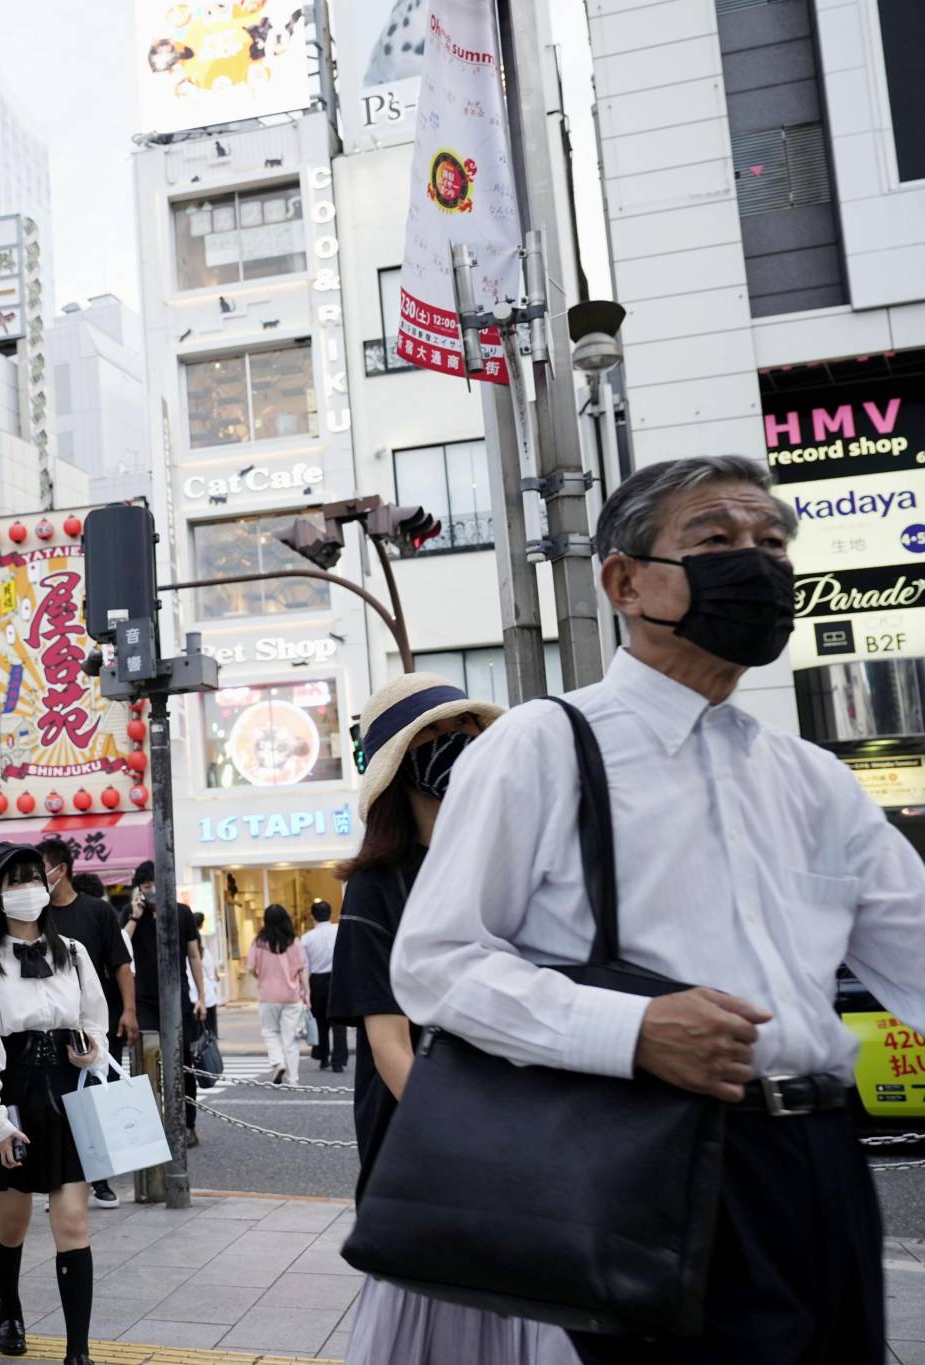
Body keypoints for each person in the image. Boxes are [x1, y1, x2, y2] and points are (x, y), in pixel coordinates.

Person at [393, 456, 925, 1364]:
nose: (756, 564)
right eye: (717, 540)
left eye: (771, 543)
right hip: (661, 1165)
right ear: (625, 581)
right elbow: (435, 963)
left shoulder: (813, 779)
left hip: (829, 1162)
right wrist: (630, 1028)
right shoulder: (546, 744)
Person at [328, 671, 573, 1364]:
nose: (452, 745)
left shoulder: (517, 865)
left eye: (461, 729)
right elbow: (389, 1044)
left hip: (523, 1127)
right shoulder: (379, 885)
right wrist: (475, 1133)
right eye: (429, 736)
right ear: (399, 764)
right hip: (428, 1139)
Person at [0, 843, 109, 1365]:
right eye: (15, 881)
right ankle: (10, 1308)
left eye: (33, 878)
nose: (27, 889)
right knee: (11, 1222)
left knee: (71, 1223)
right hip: (13, 1096)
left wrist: (91, 1051)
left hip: (67, 1095)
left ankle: (78, 1351)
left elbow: (95, 1022)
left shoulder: (76, 954)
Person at [37, 839, 136, 1208]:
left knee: (98, 1099)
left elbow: (121, 965)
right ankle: (60, 1179)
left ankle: (101, 1178)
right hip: (51, 1023)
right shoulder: (37, 916)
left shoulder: (98, 911)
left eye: (40, 869)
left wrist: (128, 1011)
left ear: (59, 870)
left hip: (95, 1023)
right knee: (57, 1103)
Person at [123, 861, 207, 1147]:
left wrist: (202, 998)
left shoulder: (181, 913)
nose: (153, 891)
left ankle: (188, 1124)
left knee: (182, 1062)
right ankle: (150, 1125)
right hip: (143, 999)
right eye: (146, 887)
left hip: (178, 998)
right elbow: (121, 950)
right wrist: (134, 916)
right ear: (139, 889)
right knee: (145, 1060)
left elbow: (194, 956)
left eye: (156, 885)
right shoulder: (132, 913)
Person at [245, 904, 309, 1087]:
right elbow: (302, 969)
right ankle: (293, 1079)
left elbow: (250, 968)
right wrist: (307, 993)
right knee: (290, 1039)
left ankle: (278, 1062)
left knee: (270, 1032)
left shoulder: (259, 942)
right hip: (291, 995)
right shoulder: (293, 941)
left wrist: (260, 977)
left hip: (268, 996)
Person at [302, 899, 345, 1072]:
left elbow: (305, 967)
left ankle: (323, 1057)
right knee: (339, 1022)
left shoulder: (306, 938)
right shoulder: (339, 931)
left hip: (317, 981)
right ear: (331, 914)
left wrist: (306, 991)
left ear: (313, 916)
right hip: (338, 979)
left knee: (320, 1021)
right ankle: (339, 1061)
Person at [195, 912, 224, 1041]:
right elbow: (207, 964)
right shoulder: (198, 940)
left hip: (204, 989)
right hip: (205, 989)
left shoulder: (198, 940)